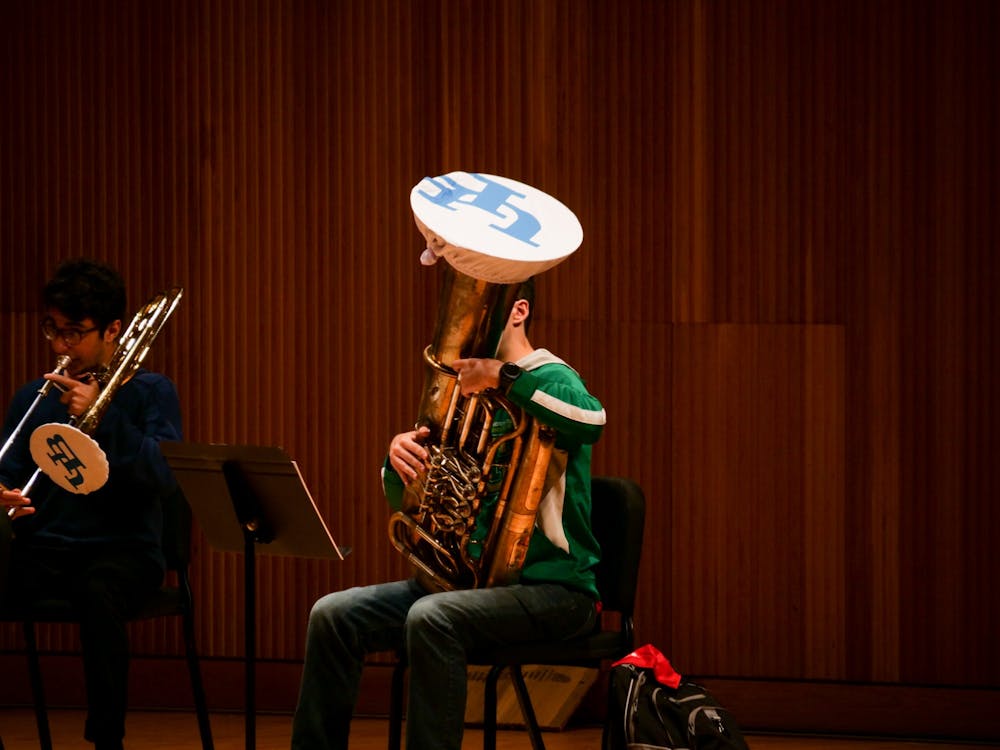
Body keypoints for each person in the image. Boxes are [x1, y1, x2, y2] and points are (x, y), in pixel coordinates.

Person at [291, 278, 607, 750]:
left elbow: (592, 419)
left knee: (431, 618)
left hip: (554, 592)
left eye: (485, 311)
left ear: (517, 312)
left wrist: (505, 377)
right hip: (469, 586)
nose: (470, 323)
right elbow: (413, 502)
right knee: (332, 614)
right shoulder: (460, 388)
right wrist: (398, 462)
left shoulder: (551, 376)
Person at [0, 259, 182, 750]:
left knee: (98, 591)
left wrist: (101, 418)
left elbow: (163, 476)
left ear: (113, 331)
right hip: (47, 546)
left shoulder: (149, 392)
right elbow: (7, 468)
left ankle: (106, 740)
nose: (61, 347)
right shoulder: (33, 398)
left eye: (75, 334)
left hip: (122, 550)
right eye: (54, 331)